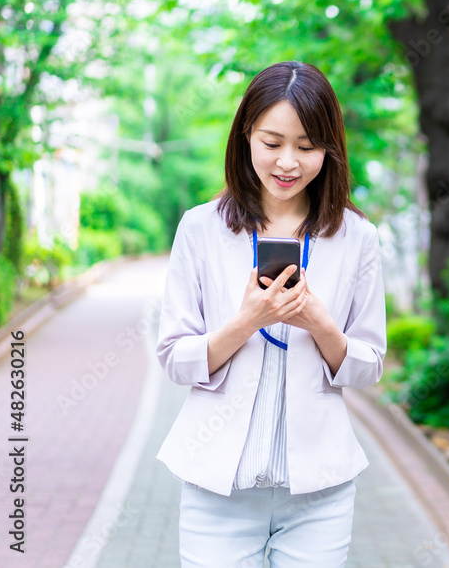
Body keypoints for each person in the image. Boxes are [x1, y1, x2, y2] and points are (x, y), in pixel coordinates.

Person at [154, 60, 387, 567]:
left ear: (330, 148)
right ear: (246, 137)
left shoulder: (357, 237)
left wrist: (321, 325)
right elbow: (173, 357)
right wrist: (246, 322)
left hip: (318, 494)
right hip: (218, 488)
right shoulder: (199, 229)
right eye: (272, 142)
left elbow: (369, 365)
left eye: (306, 146)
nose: (288, 162)